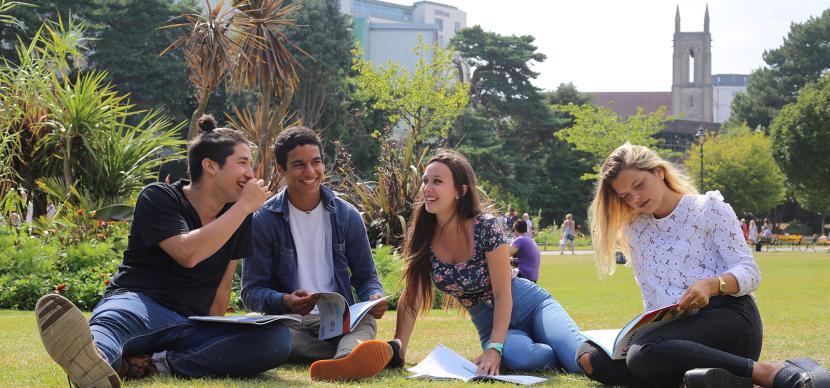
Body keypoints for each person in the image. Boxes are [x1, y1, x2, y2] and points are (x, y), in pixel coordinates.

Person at [35, 115, 291, 387]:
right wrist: (244, 207)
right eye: (243, 163)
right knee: (111, 324)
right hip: (141, 303)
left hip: (190, 324)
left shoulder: (239, 215)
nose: (251, 174)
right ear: (210, 166)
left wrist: (218, 332)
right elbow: (187, 252)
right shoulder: (160, 197)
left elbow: (222, 287)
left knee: (275, 337)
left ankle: (154, 364)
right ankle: (92, 361)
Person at [579, 143, 829, 388]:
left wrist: (712, 285)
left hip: (728, 317)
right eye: (626, 196)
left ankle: (761, 371)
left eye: (639, 185)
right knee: (591, 357)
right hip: (675, 329)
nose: (636, 198)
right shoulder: (635, 230)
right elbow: (652, 297)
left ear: (659, 172)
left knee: (643, 354)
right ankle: (700, 378)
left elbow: (750, 273)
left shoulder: (708, 208)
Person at [391, 149, 585, 376]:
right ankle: (556, 347)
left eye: (437, 181)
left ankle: (568, 342)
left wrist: (494, 349)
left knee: (579, 359)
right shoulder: (421, 234)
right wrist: (399, 351)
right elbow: (411, 299)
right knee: (522, 358)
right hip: (490, 325)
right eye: (425, 181)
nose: (427, 188)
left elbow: (502, 294)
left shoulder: (485, 226)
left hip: (531, 306)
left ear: (460, 191)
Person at [241, 126, 392, 382]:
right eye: (299, 165)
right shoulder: (263, 220)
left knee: (365, 322)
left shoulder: (347, 216)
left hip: (336, 321)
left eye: (316, 162)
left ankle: (342, 361)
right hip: (289, 322)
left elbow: (366, 277)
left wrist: (373, 296)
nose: (310, 172)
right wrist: (286, 300)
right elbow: (251, 292)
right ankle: (350, 355)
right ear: (281, 169)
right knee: (268, 335)